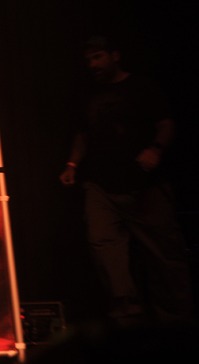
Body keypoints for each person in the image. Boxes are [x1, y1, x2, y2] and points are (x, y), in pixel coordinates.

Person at [60, 36, 191, 325]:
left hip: (144, 184)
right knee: (103, 245)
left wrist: (155, 149)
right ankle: (127, 315)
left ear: (115, 55)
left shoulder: (141, 86)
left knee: (163, 253)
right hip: (101, 185)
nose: (92, 64)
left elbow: (166, 124)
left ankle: (177, 318)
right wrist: (72, 164)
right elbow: (82, 133)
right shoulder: (87, 94)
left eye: (98, 57)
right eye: (88, 60)